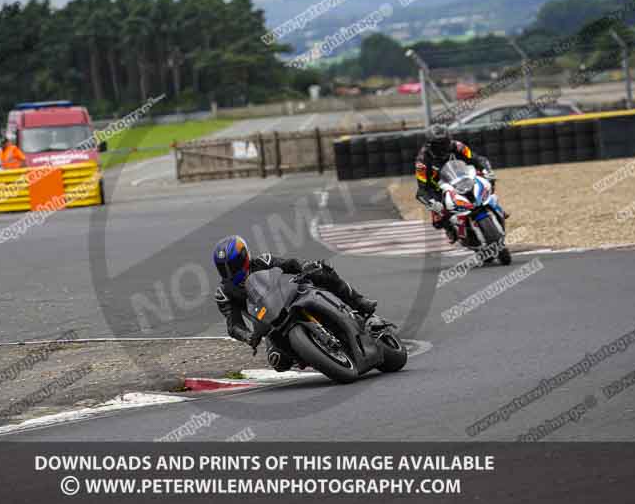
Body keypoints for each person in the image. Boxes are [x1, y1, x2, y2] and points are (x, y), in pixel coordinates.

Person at [213, 235, 378, 372]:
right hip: (269, 323)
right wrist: (248, 337)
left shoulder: (263, 261)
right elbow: (233, 325)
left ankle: (359, 302)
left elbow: (289, 264)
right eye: (223, 268)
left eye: (233, 265)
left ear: (245, 257)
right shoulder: (224, 293)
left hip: (290, 296)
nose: (229, 271)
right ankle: (315, 355)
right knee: (278, 361)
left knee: (322, 272)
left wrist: (305, 266)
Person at [415, 124, 499, 243]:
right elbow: (421, 189)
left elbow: (477, 159)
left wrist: (486, 171)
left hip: (463, 177)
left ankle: (495, 208)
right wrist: (432, 202)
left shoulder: (458, 146)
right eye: (438, 145)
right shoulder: (422, 162)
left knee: (487, 183)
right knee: (439, 220)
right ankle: (452, 230)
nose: (443, 147)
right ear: (430, 145)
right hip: (438, 187)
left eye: (445, 143)